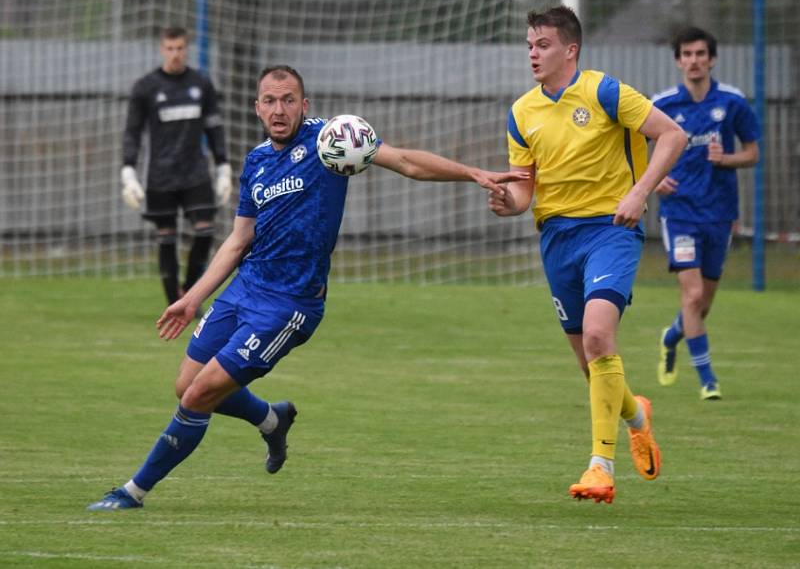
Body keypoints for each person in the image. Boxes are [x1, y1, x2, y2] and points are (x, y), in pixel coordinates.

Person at [87, 64, 529, 511]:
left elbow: (405, 161)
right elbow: (239, 240)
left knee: (201, 395)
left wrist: (471, 173)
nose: (279, 110)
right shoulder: (257, 161)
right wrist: (191, 298)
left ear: (305, 105)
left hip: (290, 305)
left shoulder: (331, 140)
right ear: (256, 108)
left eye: (288, 100)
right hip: (245, 289)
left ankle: (132, 492)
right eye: (270, 101)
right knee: (185, 385)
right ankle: (270, 419)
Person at [488, 6, 687, 504]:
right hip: (557, 240)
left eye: (544, 44)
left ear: (570, 50)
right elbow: (523, 193)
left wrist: (640, 192)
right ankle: (637, 415)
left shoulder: (605, 91)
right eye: (530, 44)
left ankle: (600, 466)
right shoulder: (521, 112)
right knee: (591, 363)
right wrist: (505, 203)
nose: (533, 52)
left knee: (600, 336)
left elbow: (672, 135)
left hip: (611, 231)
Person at [652, 27, 760, 400]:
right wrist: (652, 179)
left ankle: (671, 336)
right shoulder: (663, 104)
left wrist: (726, 158)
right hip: (679, 213)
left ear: (711, 59)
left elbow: (753, 153)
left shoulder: (731, 102)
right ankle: (708, 381)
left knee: (703, 303)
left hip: (718, 213)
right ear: (678, 60)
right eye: (687, 54)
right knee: (693, 294)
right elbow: (629, 146)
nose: (694, 61)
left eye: (700, 54)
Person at [120, 26, 233, 310]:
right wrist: (128, 170)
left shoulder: (201, 84)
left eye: (180, 48)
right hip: (160, 175)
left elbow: (214, 128)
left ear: (187, 48)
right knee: (166, 238)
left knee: (205, 231)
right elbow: (132, 131)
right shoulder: (146, 87)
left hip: (195, 172)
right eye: (170, 49)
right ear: (162, 49)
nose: (175, 54)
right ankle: (174, 302)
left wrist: (223, 167)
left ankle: (190, 292)